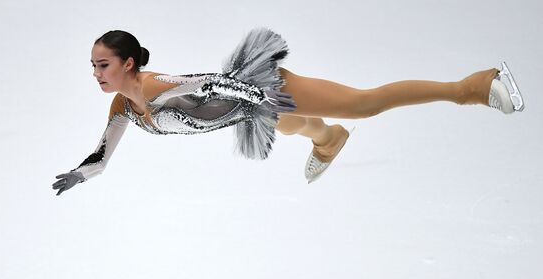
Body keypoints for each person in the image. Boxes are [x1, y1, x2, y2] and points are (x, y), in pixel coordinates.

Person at [52, 27, 524, 196]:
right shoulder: (122, 106)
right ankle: (328, 139)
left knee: (365, 103)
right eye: (93, 66)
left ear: (128, 64)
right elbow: (101, 154)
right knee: (297, 127)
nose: (96, 73)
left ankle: (475, 87)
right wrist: (81, 173)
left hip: (265, 90)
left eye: (103, 65)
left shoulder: (153, 86)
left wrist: (266, 101)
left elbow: (216, 83)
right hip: (246, 111)